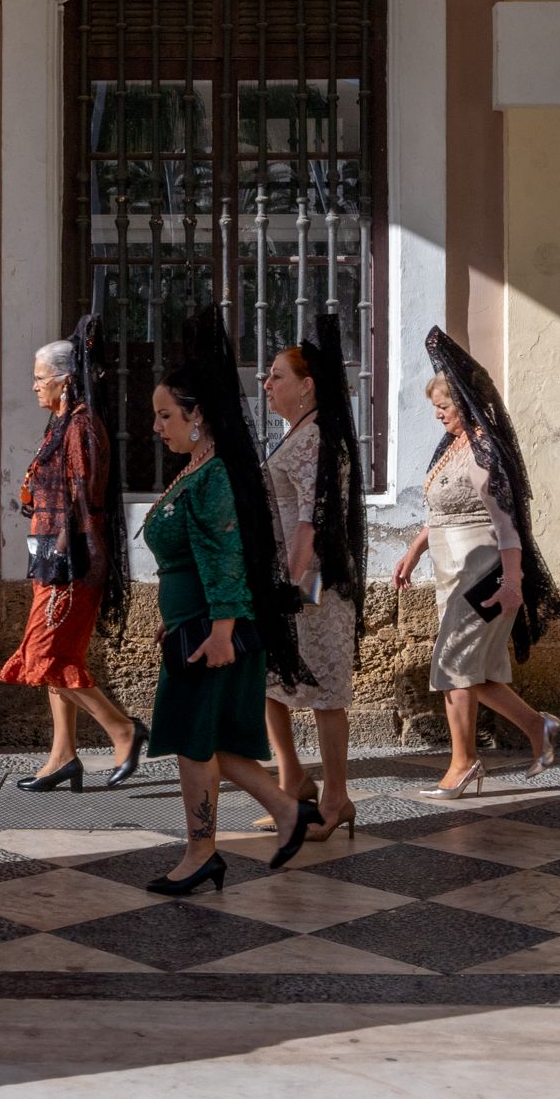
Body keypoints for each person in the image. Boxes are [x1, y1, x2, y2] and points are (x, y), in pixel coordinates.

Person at [141, 306, 322, 894]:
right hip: (193, 626)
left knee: (195, 747)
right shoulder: (195, 471)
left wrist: (219, 630)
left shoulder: (214, 476)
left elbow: (223, 558)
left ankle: (201, 853)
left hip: (211, 631)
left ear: (198, 416)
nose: (157, 426)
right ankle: (290, 809)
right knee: (210, 742)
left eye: (166, 415)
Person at [392, 327, 560, 797]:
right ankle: (539, 728)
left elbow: (508, 526)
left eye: (444, 408)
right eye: (435, 408)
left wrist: (512, 583)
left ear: (465, 403)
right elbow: (443, 512)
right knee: (478, 675)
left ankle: (464, 763)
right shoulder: (450, 447)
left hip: (484, 576)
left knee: (453, 668)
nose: (438, 416)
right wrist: (414, 550)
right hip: (452, 574)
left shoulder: (483, 451)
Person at [0, 317, 147, 791]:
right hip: (52, 557)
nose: (35, 385)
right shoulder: (60, 424)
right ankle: (63, 755)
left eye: (41, 377)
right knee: (61, 656)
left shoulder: (81, 426)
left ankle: (122, 729)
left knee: (46, 654)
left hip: (71, 563)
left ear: (64, 381)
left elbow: (83, 501)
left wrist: (66, 562)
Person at [258, 313, 366, 842]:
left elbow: (310, 517)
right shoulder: (294, 435)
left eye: (276, 375)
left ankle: (337, 797)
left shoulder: (315, 438)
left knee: (324, 691)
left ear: (306, 386)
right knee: (269, 680)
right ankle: (293, 778)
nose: (266, 384)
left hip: (314, 586)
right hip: (288, 580)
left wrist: (292, 580)